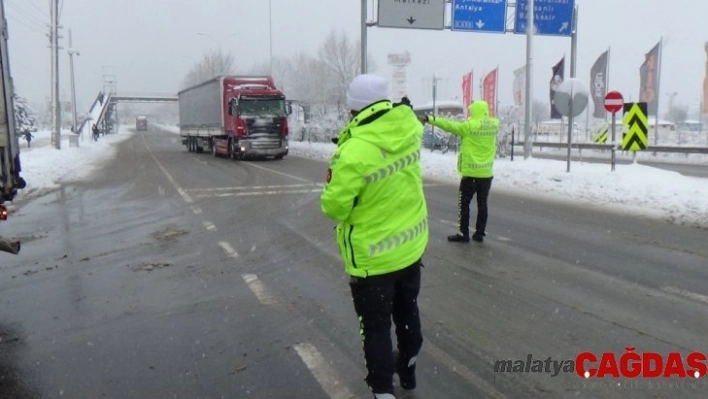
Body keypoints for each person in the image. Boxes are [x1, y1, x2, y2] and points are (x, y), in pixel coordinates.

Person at [320, 74, 428, 399]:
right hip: (410, 249)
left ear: (353, 110)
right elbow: (413, 118)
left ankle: (383, 391)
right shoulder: (409, 129)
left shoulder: (353, 151)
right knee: (407, 313)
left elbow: (335, 207)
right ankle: (407, 369)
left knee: (376, 330)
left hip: (372, 260)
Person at [419, 100, 499, 243]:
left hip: (470, 174)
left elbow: (449, 125)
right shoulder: (494, 125)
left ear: (475, 111)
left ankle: (464, 233)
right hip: (486, 174)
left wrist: (431, 119)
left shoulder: (468, 127)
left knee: (464, 204)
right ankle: (479, 233)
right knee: (482, 204)